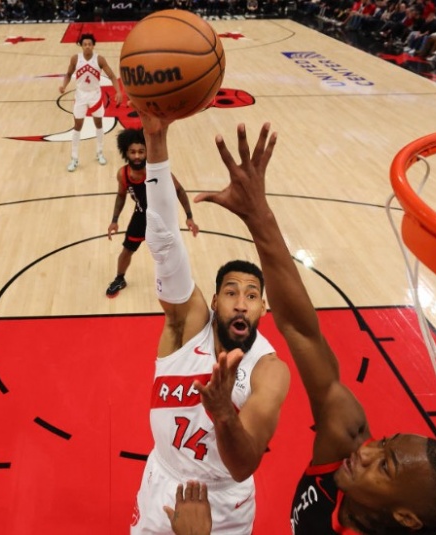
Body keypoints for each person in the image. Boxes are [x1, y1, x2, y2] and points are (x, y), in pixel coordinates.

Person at [196, 123, 436, 535]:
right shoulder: (344, 450)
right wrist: (259, 217)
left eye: (385, 466)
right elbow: (301, 332)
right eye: (383, 443)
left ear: (406, 517)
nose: (365, 451)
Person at [130, 113, 291, 534]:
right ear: (215, 301)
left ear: (263, 309)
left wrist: (223, 413)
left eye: (252, 296)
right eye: (232, 292)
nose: (241, 303)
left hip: (223, 501)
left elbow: (243, 465)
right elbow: (165, 243)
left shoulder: (269, 370)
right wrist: (156, 144)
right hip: (162, 481)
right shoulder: (186, 327)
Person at [105, 127, 199, 297]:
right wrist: (114, 220)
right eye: (133, 152)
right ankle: (119, 279)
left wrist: (189, 217)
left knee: (173, 251)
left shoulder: (156, 171)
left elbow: (179, 190)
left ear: (147, 152)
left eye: (141, 151)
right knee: (127, 250)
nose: (137, 156)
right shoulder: (123, 174)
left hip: (162, 218)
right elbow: (121, 196)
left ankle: (179, 281)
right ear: (126, 153)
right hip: (141, 216)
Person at [58, 33, 124, 173]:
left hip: (95, 96)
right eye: (85, 44)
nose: (87, 46)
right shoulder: (75, 59)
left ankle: (99, 153)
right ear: (81, 46)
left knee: (98, 124)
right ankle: (74, 158)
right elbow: (68, 74)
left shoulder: (99, 59)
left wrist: (118, 92)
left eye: (89, 44)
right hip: (80, 96)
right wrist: (64, 86)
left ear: (93, 45)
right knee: (77, 126)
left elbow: (112, 76)